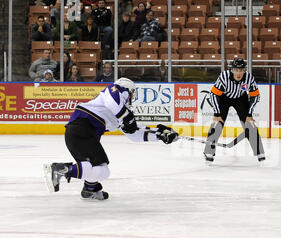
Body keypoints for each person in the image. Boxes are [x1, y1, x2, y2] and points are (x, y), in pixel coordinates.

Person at [44, 78, 179, 200]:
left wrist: (159, 134)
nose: (132, 97)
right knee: (102, 170)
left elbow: (134, 133)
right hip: (82, 130)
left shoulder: (116, 113)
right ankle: (60, 169)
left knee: (98, 169)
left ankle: (90, 189)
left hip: (78, 134)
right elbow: (115, 103)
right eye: (132, 93)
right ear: (127, 90)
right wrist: (128, 117)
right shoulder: (114, 90)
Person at [203, 58, 265, 163]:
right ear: (232, 70)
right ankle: (209, 152)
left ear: (244, 70)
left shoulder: (249, 78)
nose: (238, 73)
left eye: (241, 70)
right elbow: (214, 94)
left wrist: (249, 114)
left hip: (241, 99)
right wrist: (217, 113)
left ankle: (260, 152)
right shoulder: (224, 76)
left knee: (250, 124)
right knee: (217, 123)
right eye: (236, 70)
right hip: (224, 98)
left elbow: (255, 96)